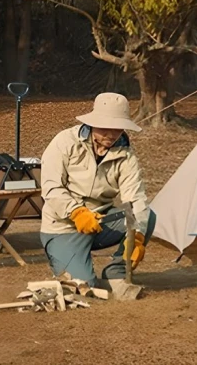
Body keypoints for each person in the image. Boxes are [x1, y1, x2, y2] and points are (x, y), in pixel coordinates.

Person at [39, 92, 155, 285]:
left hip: (102, 222)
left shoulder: (126, 154)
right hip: (63, 226)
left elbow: (135, 199)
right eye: (105, 128)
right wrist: (76, 212)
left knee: (146, 216)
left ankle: (116, 271)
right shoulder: (64, 142)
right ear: (92, 123)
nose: (111, 134)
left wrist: (137, 237)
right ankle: (71, 262)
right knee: (83, 286)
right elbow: (51, 188)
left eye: (117, 129)